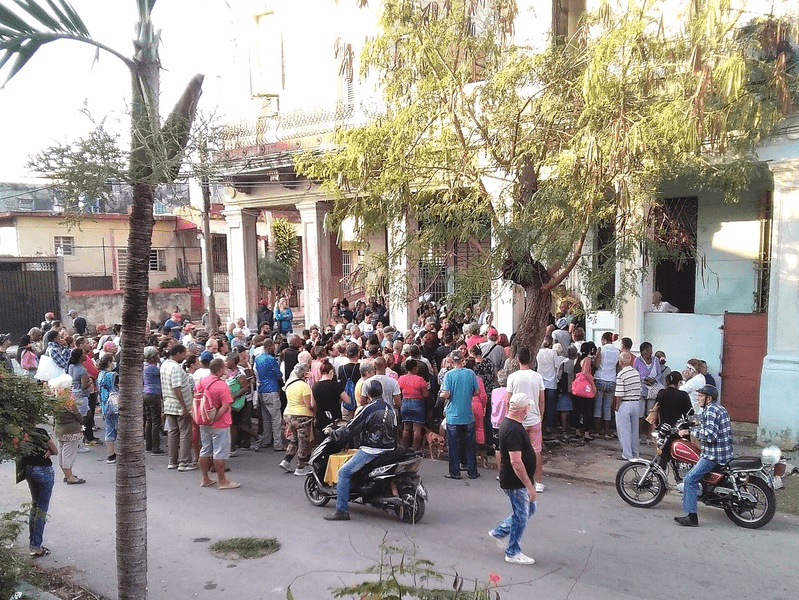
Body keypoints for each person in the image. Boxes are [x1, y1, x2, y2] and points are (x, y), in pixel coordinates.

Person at [323, 380, 397, 521]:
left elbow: (350, 429)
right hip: (389, 449)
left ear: (367, 393)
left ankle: (341, 510)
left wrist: (333, 433)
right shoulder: (389, 407)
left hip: (371, 450)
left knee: (343, 473)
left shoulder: (367, 408)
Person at [488, 392, 538, 565]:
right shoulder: (513, 429)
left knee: (528, 510)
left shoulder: (512, 425)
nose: (529, 409)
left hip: (516, 480)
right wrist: (529, 486)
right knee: (522, 514)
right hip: (515, 481)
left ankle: (499, 532)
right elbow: (516, 461)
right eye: (528, 406)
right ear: (524, 409)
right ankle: (513, 551)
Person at [675, 385, 732, 527]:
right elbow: (705, 420)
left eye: (700, 396)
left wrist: (689, 432)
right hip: (725, 452)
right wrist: (694, 422)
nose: (698, 398)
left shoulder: (711, 410)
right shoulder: (717, 408)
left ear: (708, 398)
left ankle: (691, 517)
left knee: (690, 479)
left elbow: (710, 436)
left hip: (713, 455)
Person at [505, 348, 546, 491]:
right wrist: (540, 416)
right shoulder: (537, 377)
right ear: (530, 360)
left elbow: (508, 400)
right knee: (536, 450)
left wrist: (507, 417)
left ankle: (520, 479)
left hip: (518, 420)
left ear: (517, 361)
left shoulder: (512, 377)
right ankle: (539, 482)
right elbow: (541, 400)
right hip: (534, 418)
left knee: (517, 452)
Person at [196, 358, 240, 490]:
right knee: (219, 453)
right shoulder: (221, 385)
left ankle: (205, 478)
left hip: (203, 420)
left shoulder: (202, 381)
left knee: (205, 450)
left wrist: (208, 418)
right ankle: (222, 481)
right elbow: (226, 405)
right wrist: (215, 418)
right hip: (219, 424)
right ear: (220, 369)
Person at [17, 426, 58, 557]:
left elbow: (18, 452)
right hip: (44, 470)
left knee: (35, 505)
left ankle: (33, 542)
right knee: (42, 508)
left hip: (29, 470)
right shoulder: (40, 432)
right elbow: (55, 450)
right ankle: (36, 546)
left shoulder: (19, 435)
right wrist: (49, 452)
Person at [440, 350, 480, 480]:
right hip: (468, 415)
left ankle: (455, 472)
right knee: (469, 446)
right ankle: (472, 471)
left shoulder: (449, 375)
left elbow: (446, 394)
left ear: (451, 361)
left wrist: (442, 395)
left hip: (453, 415)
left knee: (453, 446)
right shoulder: (470, 374)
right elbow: (477, 391)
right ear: (463, 360)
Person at [161, 344, 196, 471]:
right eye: (183, 354)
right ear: (177, 354)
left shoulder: (164, 365)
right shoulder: (175, 368)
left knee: (173, 432)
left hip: (169, 404)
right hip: (178, 405)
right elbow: (177, 387)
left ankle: (172, 460)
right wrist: (184, 407)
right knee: (185, 433)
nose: (185, 356)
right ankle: (184, 462)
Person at [279, 362, 316, 476]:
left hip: (289, 414)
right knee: (303, 441)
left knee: (294, 439)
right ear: (305, 373)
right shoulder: (304, 387)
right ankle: (301, 466)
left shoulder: (290, 382)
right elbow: (308, 405)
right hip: (301, 416)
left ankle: (286, 460)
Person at [254, 338, 285, 451]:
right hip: (271, 389)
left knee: (266, 418)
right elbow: (278, 374)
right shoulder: (271, 359)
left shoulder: (257, 359)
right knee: (276, 418)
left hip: (261, 389)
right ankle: (277, 443)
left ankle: (266, 440)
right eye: (273, 346)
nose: (275, 348)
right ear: (269, 347)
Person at [614, 351, 642, 461]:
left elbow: (619, 394)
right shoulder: (635, 372)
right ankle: (635, 453)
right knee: (635, 430)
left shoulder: (621, 374)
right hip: (636, 402)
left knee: (624, 430)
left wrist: (617, 406)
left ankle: (627, 454)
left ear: (620, 362)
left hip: (625, 403)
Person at [398, 359, 429, 451]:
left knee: (406, 429)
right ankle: (416, 450)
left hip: (405, 402)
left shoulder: (401, 378)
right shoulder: (420, 379)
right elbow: (425, 394)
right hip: (417, 403)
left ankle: (405, 448)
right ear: (415, 369)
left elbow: (398, 392)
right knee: (417, 430)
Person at [592, 332, 618, 438]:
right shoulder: (617, 351)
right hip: (612, 380)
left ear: (604, 339)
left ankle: (597, 431)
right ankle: (607, 432)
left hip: (600, 378)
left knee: (598, 406)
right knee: (607, 407)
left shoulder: (601, 349)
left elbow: (597, 364)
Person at [142, 346, 165, 455]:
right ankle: (155, 446)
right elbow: (162, 373)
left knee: (149, 419)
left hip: (145, 392)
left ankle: (148, 444)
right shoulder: (153, 368)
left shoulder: (144, 366)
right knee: (156, 420)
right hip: (154, 393)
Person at [96, 354, 119, 464]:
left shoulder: (100, 375)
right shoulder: (113, 375)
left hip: (105, 405)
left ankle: (111, 455)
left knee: (109, 430)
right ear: (109, 363)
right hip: (115, 404)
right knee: (120, 429)